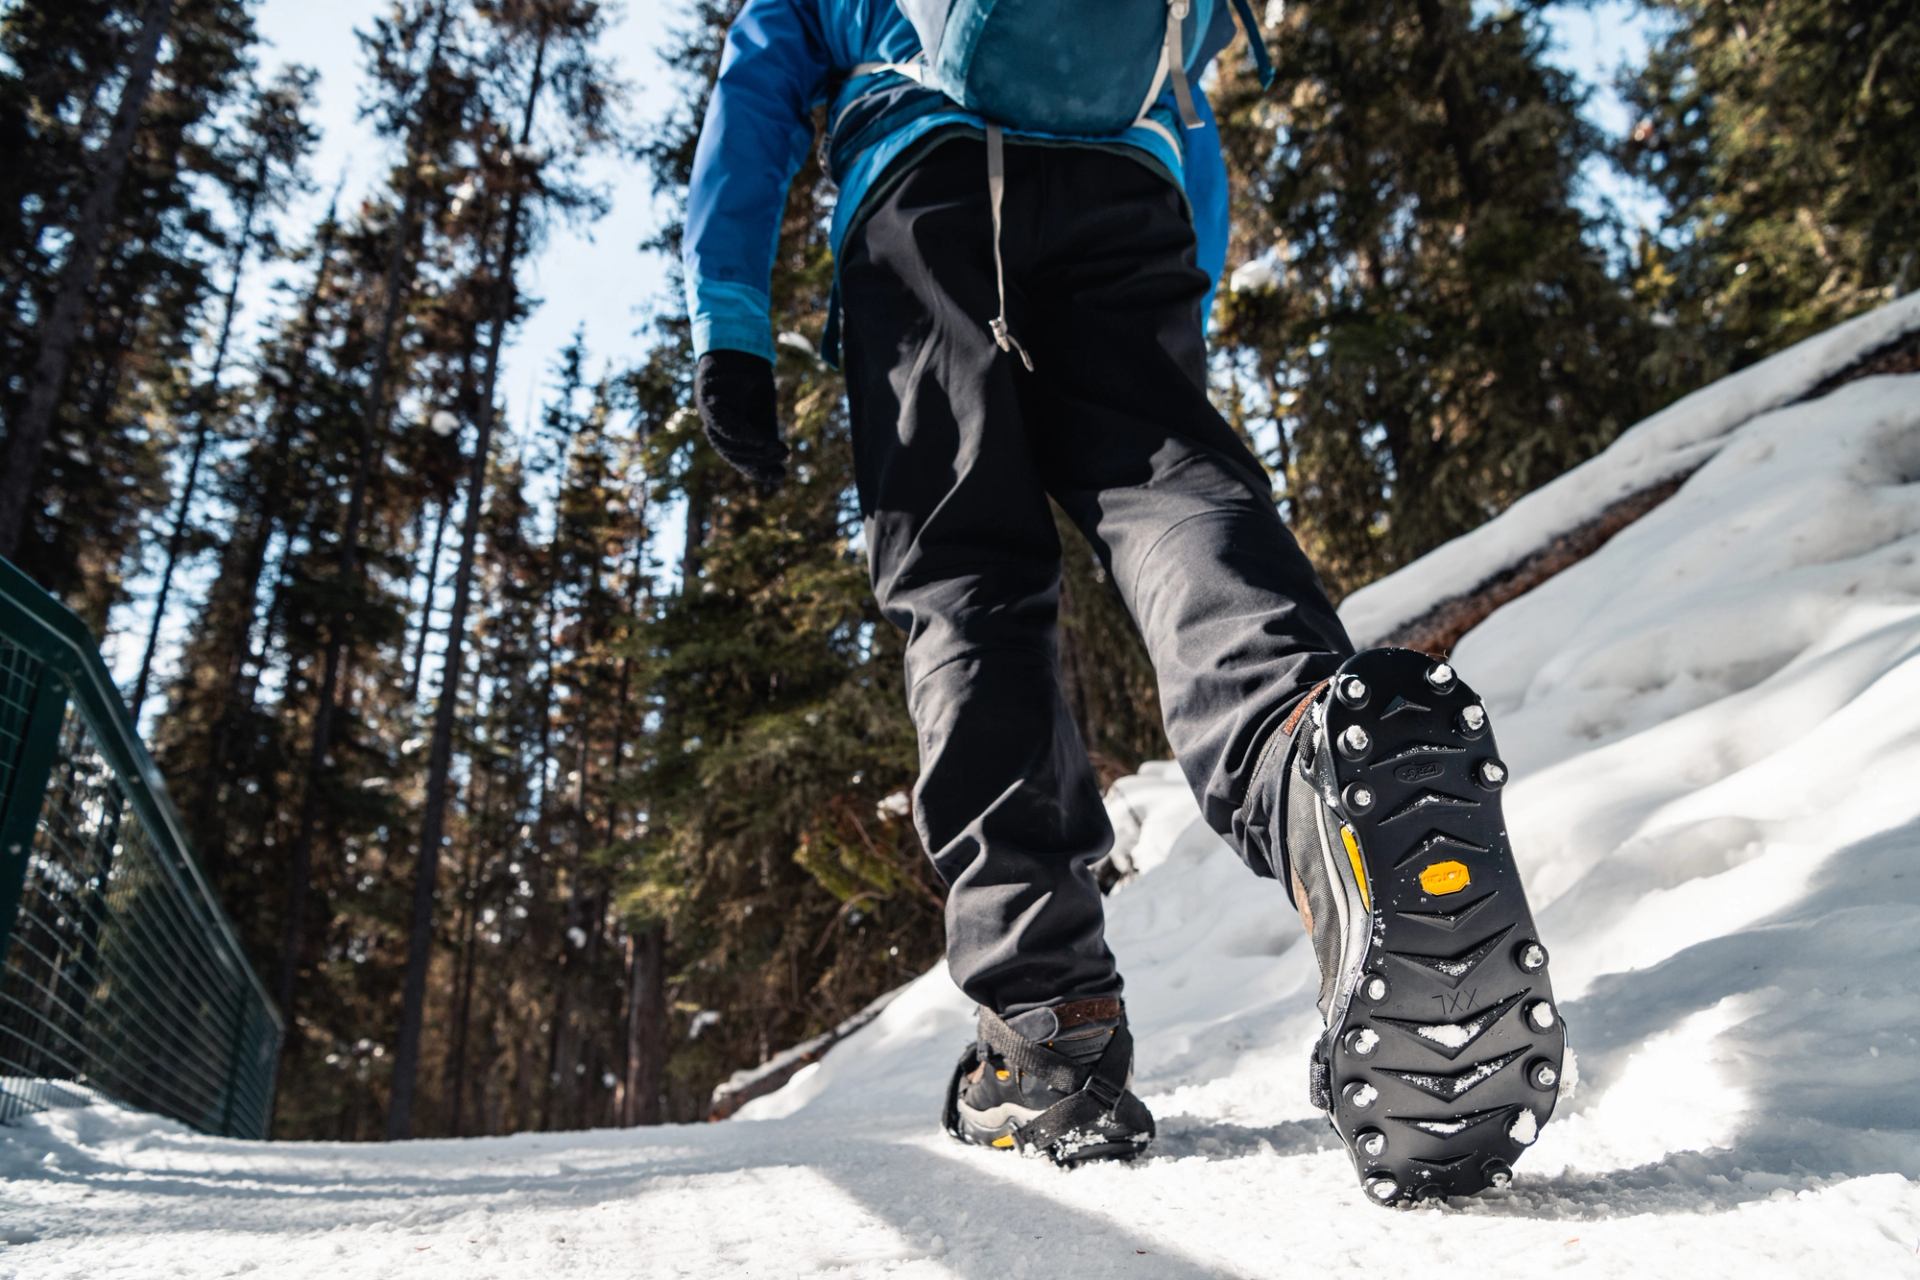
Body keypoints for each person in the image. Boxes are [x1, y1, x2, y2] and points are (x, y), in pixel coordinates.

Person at [684, 0, 1565, 1205]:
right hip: (1123, 179)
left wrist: (728, 313)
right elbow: (1183, 94)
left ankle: (1050, 1022)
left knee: (967, 587)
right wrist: (1175, 311)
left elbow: (761, 71)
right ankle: (1316, 769)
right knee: (1175, 494)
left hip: (921, 194)